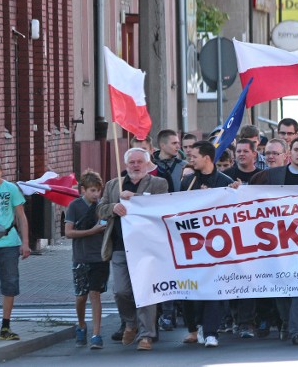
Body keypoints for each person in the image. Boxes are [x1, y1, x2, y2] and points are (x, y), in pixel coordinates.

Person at [250, 137, 298, 345]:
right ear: (289, 153)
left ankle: (297, 331)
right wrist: (235, 188)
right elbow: (251, 197)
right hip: (277, 241)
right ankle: (286, 322)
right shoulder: (271, 175)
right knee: (283, 288)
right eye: (296, 149)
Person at [97, 148, 168, 350]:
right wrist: (113, 207)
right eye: (132, 162)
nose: (136, 166)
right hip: (120, 246)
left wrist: (135, 198)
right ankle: (130, 323)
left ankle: (146, 335)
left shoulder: (159, 184)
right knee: (121, 291)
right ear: (126, 165)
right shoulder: (113, 185)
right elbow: (99, 210)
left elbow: (162, 208)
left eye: (139, 162)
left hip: (147, 248)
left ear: (147, 164)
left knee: (145, 291)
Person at [179, 141, 233, 347]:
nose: (190, 160)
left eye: (193, 156)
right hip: (192, 245)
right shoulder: (188, 182)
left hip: (218, 245)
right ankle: (196, 326)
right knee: (191, 290)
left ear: (207, 158)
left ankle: (211, 332)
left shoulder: (225, 182)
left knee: (213, 289)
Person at [64, 169, 109, 349]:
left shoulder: (102, 206)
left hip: (100, 257)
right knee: (81, 296)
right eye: (92, 191)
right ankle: (81, 324)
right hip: (81, 257)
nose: (96, 194)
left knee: (95, 294)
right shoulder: (75, 206)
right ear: (83, 190)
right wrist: (92, 231)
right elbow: (68, 233)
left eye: (98, 190)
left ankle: (96, 334)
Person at [0, 157, 30, 341]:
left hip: (9, 243)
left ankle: (5, 327)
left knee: (10, 285)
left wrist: (25, 242)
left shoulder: (11, 189)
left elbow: (21, 217)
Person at [153, 129, 187, 331]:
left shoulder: (184, 167)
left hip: (178, 225)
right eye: (174, 143)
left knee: (174, 268)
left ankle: (170, 310)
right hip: (156, 225)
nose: (178, 146)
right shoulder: (150, 167)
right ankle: (160, 311)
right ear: (163, 145)